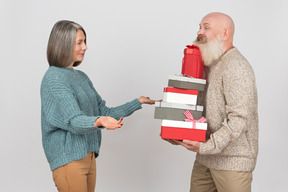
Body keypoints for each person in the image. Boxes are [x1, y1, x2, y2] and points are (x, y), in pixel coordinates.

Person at [41, 20, 159, 192]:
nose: (85, 47)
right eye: (79, 43)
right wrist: (100, 121)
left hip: (88, 156)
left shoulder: (81, 77)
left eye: (85, 41)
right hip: (69, 160)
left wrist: (137, 102)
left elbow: (104, 112)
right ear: (64, 45)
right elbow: (74, 121)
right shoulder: (54, 78)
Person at [164, 12, 258, 192]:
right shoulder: (209, 63)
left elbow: (239, 119)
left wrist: (207, 145)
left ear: (225, 33)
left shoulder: (236, 66)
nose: (200, 32)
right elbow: (199, 108)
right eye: (199, 27)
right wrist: (176, 127)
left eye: (206, 27)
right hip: (205, 158)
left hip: (232, 161)